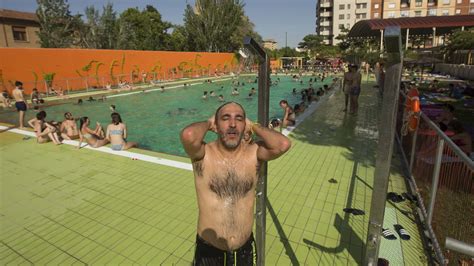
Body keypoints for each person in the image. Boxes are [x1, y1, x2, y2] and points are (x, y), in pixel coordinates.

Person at [180, 102, 291, 265]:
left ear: (244, 125)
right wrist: (210, 123)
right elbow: (189, 135)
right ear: (216, 126)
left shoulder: (254, 153)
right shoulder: (203, 155)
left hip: (244, 250)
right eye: (225, 118)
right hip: (209, 251)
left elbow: (283, 145)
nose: (232, 124)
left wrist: (253, 126)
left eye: (239, 119)